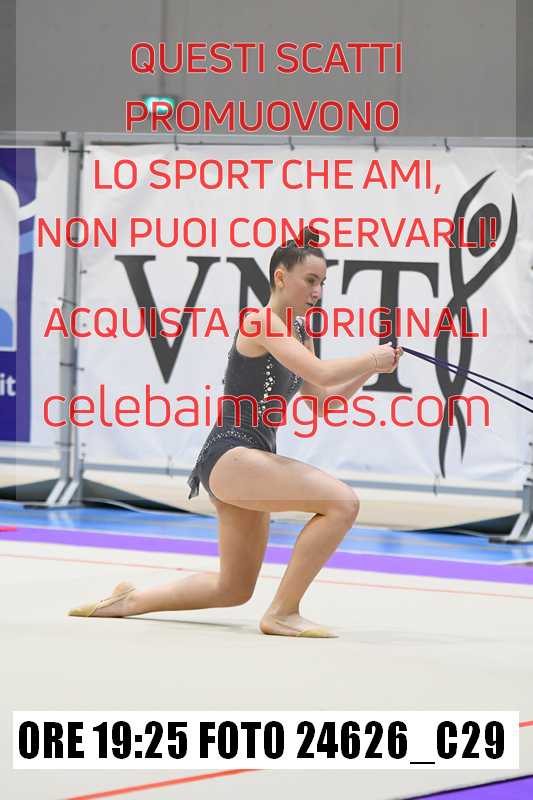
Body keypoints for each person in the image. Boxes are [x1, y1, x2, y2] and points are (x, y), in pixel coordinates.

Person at [69, 228, 402, 637]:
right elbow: (320, 372)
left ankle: (129, 600)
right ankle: (283, 612)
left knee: (233, 588)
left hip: (250, 460)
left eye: (323, 283)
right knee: (343, 503)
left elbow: (323, 401)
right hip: (231, 453)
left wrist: (372, 371)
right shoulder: (260, 322)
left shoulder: (301, 332)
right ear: (280, 277)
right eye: (310, 280)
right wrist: (370, 357)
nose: (317, 292)